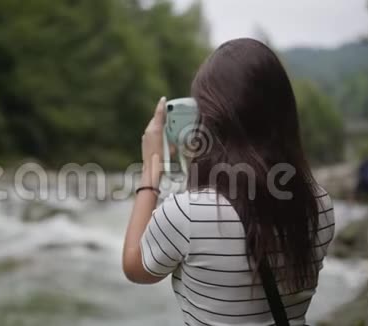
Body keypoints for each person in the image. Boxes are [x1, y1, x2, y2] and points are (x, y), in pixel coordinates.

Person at [122, 38, 334, 326]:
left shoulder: (186, 213)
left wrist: (151, 168)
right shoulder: (319, 204)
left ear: (211, 120)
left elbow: (135, 267)